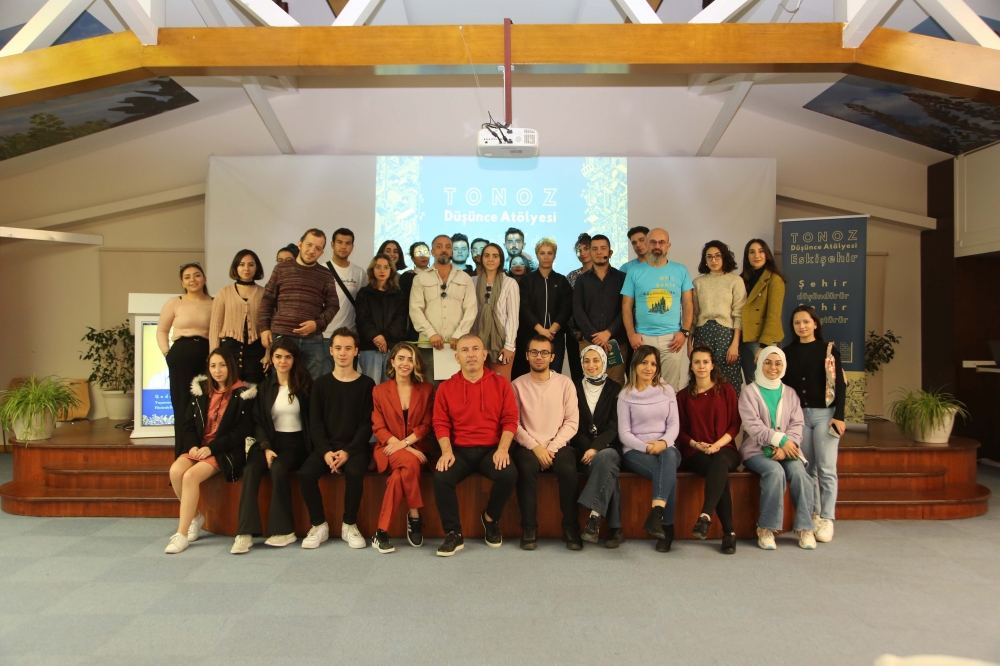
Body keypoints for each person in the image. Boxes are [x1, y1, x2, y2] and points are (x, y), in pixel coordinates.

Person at [432, 334, 519, 556]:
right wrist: (446, 452)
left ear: (484, 354)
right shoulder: (445, 388)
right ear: (457, 357)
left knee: (509, 473)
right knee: (441, 476)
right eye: (464, 350)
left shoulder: (501, 384)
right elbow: (440, 422)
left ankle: (490, 518)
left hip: (491, 450)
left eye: (475, 349)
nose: (470, 354)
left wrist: (503, 449)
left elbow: (510, 419)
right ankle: (453, 534)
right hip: (459, 451)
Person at [165, 348, 255, 553]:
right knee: (176, 471)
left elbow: (240, 433)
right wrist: (193, 446)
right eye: (213, 366)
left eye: (222, 365)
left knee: (190, 477)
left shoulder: (242, 394)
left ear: (230, 367)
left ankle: (181, 534)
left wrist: (211, 448)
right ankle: (196, 517)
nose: (217, 370)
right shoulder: (201, 391)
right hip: (199, 447)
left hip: (223, 450)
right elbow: (187, 424)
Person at [297, 328, 376, 550]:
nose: (343, 353)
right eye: (338, 348)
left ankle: (349, 525)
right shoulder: (320, 384)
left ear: (356, 351)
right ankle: (318, 525)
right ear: (330, 351)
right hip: (326, 448)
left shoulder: (367, 384)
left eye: (348, 348)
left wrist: (348, 452)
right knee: (306, 473)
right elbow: (315, 423)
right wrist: (325, 452)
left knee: (355, 472)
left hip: (355, 448)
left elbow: (367, 424)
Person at [232, 339, 312, 554]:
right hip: (268, 442)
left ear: (294, 359)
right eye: (278, 357)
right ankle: (245, 533)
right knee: (250, 469)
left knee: (278, 468)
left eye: (287, 357)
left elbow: (313, 420)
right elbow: (257, 421)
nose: (282, 361)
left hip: (295, 444)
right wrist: (266, 447)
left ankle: (284, 531)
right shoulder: (265, 387)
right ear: (272, 359)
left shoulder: (305, 385)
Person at [738, 346, 816, 550]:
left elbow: (797, 424)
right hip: (756, 451)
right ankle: (766, 529)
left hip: (788, 450)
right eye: (768, 362)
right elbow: (752, 425)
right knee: (774, 471)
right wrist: (780, 441)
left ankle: (805, 527)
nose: (773, 367)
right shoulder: (749, 392)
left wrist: (786, 447)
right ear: (760, 364)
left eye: (778, 363)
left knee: (800, 474)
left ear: (784, 366)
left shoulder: (790, 393)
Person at [783, 305, 846, 544]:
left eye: (806, 322)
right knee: (808, 469)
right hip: (799, 417)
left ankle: (828, 518)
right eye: (797, 323)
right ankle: (814, 514)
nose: (802, 326)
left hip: (825, 415)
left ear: (815, 324)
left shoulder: (828, 350)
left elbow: (840, 385)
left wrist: (839, 416)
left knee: (826, 468)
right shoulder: (787, 352)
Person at [512, 335, 581, 550]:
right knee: (525, 467)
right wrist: (535, 447)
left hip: (558, 445)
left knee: (568, 469)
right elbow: (513, 424)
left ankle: (570, 528)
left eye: (544, 353)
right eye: (534, 352)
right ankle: (529, 529)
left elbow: (572, 422)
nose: (539, 357)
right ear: (527, 356)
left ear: (552, 357)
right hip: (528, 445)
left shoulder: (565, 383)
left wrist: (550, 448)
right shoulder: (517, 385)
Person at [370, 342, 435, 553]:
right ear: (392, 362)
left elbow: (426, 425)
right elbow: (378, 428)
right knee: (410, 461)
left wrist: (405, 444)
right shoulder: (379, 391)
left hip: (417, 448)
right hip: (388, 449)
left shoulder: (426, 389)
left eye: (410, 359)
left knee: (399, 477)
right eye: (401, 358)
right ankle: (414, 515)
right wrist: (406, 448)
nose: (405, 363)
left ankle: (381, 532)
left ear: (416, 364)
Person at [677, 345, 741, 555]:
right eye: (697, 362)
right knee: (719, 471)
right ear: (691, 366)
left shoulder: (727, 390)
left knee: (720, 461)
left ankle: (706, 515)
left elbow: (735, 424)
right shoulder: (682, 396)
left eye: (705, 362)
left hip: (724, 448)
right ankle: (729, 533)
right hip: (696, 452)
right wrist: (697, 444)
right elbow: (680, 431)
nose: (701, 366)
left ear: (713, 365)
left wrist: (717, 445)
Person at [618, 345, 682, 552]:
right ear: (635, 364)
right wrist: (646, 447)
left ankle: (657, 515)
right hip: (635, 451)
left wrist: (663, 443)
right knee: (668, 475)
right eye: (644, 362)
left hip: (666, 447)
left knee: (669, 456)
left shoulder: (667, 390)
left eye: (653, 364)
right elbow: (624, 434)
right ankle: (667, 527)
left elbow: (674, 424)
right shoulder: (625, 395)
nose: (649, 368)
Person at [258, 228, 340, 379]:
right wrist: (264, 328)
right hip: (282, 337)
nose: (312, 251)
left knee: (312, 386)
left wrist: (317, 324)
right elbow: (267, 299)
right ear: (300, 245)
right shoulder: (281, 269)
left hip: (313, 340)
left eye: (318, 248)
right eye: (309, 245)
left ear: (322, 252)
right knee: (282, 385)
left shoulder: (326, 274)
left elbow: (333, 305)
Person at [621, 228, 694, 392]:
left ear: (668, 245)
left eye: (661, 242)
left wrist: (684, 332)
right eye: (653, 242)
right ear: (647, 244)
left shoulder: (680, 270)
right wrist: (631, 334)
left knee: (670, 389)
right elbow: (626, 305)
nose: (657, 246)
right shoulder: (634, 272)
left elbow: (688, 304)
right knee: (642, 387)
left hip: (672, 340)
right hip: (643, 339)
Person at [158, 262, 213, 455]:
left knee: (205, 404)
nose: (192, 280)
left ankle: (203, 451)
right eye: (187, 277)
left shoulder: (215, 302)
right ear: (182, 282)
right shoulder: (175, 302)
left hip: (207, 356)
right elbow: (162, 331)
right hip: (180, 356)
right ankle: (182, 453)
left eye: (197, 275)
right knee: (182, 405)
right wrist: (167, 354)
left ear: (204, 278)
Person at [573, 345, 625, 548]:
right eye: (587, 361)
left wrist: (596, 448)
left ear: (604, 362)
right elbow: (572, 423)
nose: (591, 365)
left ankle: (594, 515)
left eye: (596, 360)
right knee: (608, 471)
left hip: (608, 447)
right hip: (582, 450)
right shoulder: (573, 387)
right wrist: (588, 448)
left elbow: (614, 426)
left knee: (605, 458)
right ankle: (615, 529)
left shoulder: (616, 389)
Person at [409, 234, 478, 381]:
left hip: (457, 346)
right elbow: (415, 310)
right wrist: (431, 334)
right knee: (429, 389)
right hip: (428, 345)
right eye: (439, 247)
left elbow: (471, 310)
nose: (444, 250)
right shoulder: (420, 278)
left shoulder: (465, 278)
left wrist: (459, 334)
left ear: (452, 251)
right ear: (432, 251)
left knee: (458, 388)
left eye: (448, 247)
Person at [692, 240, 747, 394]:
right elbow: (694, 315)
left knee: (728, 381)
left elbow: (739, 314)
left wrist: (735, 344)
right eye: (709, 257)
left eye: (717, 256)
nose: (713, 260)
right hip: (703, 333)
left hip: (726, 335)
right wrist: (690, 344)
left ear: (724, 257)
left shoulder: (735, 281)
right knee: (703, 378)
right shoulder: (698, 283)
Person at [513, 238, 572, 379]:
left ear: (554, 255)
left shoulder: (562, 281)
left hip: (555, 337)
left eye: (550, 253)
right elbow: (524, 308)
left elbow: (566, 308)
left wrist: (552, 330)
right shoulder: (527, 280)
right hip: (530, 335)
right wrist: (541, 330)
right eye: (542, 253)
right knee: (529, 376)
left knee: (554, 376)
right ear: (537, 255)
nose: (546, 257)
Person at [573, 234, 628, 385]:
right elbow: (578, 310)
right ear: (590, 252)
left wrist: (608, 332)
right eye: (595, 249)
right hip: (589, 341)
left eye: (603, 248)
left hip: (616, 342)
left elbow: (626, 309)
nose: (599, 252)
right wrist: (595, 336)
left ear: (610, 252)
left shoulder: (622, 278)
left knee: (615, 384)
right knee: (591, 384)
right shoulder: (581, 280)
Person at [210, 249, 266, 385]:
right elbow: (215, 326)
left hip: (256, 350)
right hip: (229, 349)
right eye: (242, 264)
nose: (246, 268)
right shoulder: (224, 293)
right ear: (235, 267)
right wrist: (213, 356)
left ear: (256, 267)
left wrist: (269, 353)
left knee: (254, 390)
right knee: (229, 388)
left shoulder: (264, 293)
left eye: (251, 264)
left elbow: (270, 326)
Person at [739, 238, 785, 386]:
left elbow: (773, 315)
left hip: (763, 339)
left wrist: (764, 346)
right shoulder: (741, 279)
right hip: (744, 338)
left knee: (767, 382)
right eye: (752, 252)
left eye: (761, 251)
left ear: (767, 254)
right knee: (751, 384)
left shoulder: (774, 279)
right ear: (747, 256)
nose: (756, 255)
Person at [356, 254, 407, 385]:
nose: (382, 270)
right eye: (378, 267)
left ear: (391, 270)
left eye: (386, 267)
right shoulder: (364, 293)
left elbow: (400, 321)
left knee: (390, 390)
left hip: (392, 349)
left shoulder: (398, 295)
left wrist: (384, 337)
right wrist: (376, 337)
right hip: (369, 348)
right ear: (372, 269)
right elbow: (362, 320)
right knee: (371, 388)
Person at [471, 243, 519, 381]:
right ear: (481, 259)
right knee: (478, 384)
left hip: (502, 342)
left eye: (495, 256)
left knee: (500, 385)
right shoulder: (472, 282)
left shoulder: (510, 283)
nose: (490, 259)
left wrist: (509, 346)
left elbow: (513, 318)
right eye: (487, 255)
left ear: (501, 260)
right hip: (477, 342)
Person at [323, 227, 368, 343]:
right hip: (324, 334)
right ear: (332, 244)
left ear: (352, 247)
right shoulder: (321, 270)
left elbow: (364, 305)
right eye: (339, 242)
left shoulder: (360, 273)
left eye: (348, 243)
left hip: (350, 335)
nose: (344, 247)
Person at [565, 232, 592, 384]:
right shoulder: (572, 276)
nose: (582, 253)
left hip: (602, 336)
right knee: (578, 377)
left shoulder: (607, 274)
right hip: (577, 336)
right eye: (578, 250)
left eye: (586, 249)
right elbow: (568, 307)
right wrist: (574, 332)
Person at [400, 241, 432, 342]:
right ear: (412, 258)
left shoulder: (437, 275)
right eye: (418, 253)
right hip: (413, 324)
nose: (423, 256)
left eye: (425, 252)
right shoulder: (406, 277)